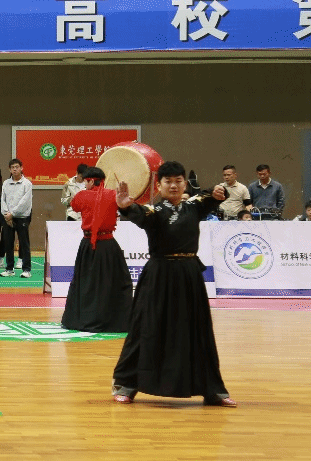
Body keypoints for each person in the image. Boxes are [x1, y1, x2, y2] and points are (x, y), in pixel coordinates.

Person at [111, 162, 236, 407]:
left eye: (178, 181)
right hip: (158, 276)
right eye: (168, 181)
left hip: (189, 276)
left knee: (198, 330)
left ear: (184, 184)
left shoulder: (194, 206)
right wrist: (124, 206)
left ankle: (212, 390)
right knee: (146, 327)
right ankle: (126, 384)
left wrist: (219, 192)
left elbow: (212, 198)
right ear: (159, 186)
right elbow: (137, 213)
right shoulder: (152, 211)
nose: (174, 186)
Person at [61, 167, 132, 333]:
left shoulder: (82, 195)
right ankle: (116, 320)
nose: (85, 185)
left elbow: (74, 206)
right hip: (109, 246)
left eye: (86, 182)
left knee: (85, 283)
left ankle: (83, 319)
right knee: (115, 282)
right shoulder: (113, 194)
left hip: (88, 246)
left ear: (91, 181)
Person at [0, 158, 33, 277]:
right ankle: (9, 269)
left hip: (22, 217)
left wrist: (12, 213)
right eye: (12, 167)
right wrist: (6, 215)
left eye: (17, 167)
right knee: (8, 243)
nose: (15, 169)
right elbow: (3, 200)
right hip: (8, 217)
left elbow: (25, 202)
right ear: (9, 169)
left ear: (21, 168)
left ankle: (26, 270)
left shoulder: (27, 184)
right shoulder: (5, 183)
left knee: (24, 243)